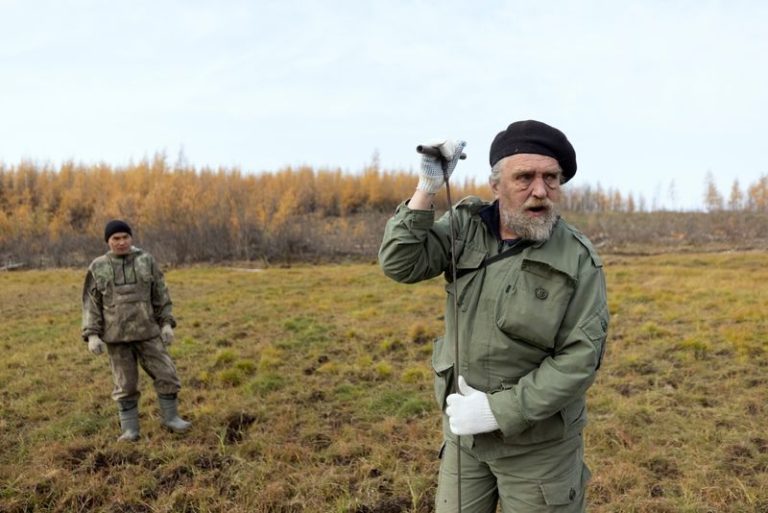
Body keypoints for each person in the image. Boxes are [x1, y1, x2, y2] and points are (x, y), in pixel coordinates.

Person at [379, 120, 609, 512]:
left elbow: (580, 359)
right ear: (496, 186)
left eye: (551, 178)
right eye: (525, 177)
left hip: (538, 449)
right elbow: (400, 263)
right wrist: (428, 187)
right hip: (464, 438)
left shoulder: (577, 258)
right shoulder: (466, 227)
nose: (541, 191)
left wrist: (496, 412)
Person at [82, 219, 192, 441]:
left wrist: (166, 323)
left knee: (167, 374)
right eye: (116, 238)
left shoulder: (146, 260)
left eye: (125, 237)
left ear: (131, 238)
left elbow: (160, 294)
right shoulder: (98, 266)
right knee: (125, 384)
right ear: (108, 241)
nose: (121, 242)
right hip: (117, 337)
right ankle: (130, 430)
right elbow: (91, 303)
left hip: (148, 332)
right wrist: (92, 334)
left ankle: (171, 418)